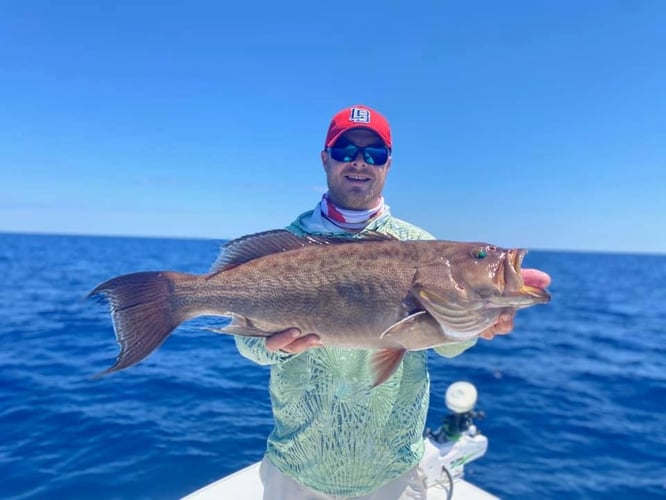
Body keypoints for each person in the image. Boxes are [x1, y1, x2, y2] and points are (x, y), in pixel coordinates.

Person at [234, 104, 551, 499]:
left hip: (392, 471)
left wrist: (480, 323)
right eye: (346, 151)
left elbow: (448, 343)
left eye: (375, 154)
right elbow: (247, 344)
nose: (360, 163)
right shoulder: (286, 246)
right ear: (325, 159)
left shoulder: (420, 243)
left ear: (388, 164)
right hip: (296, 466)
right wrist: (273, 348)